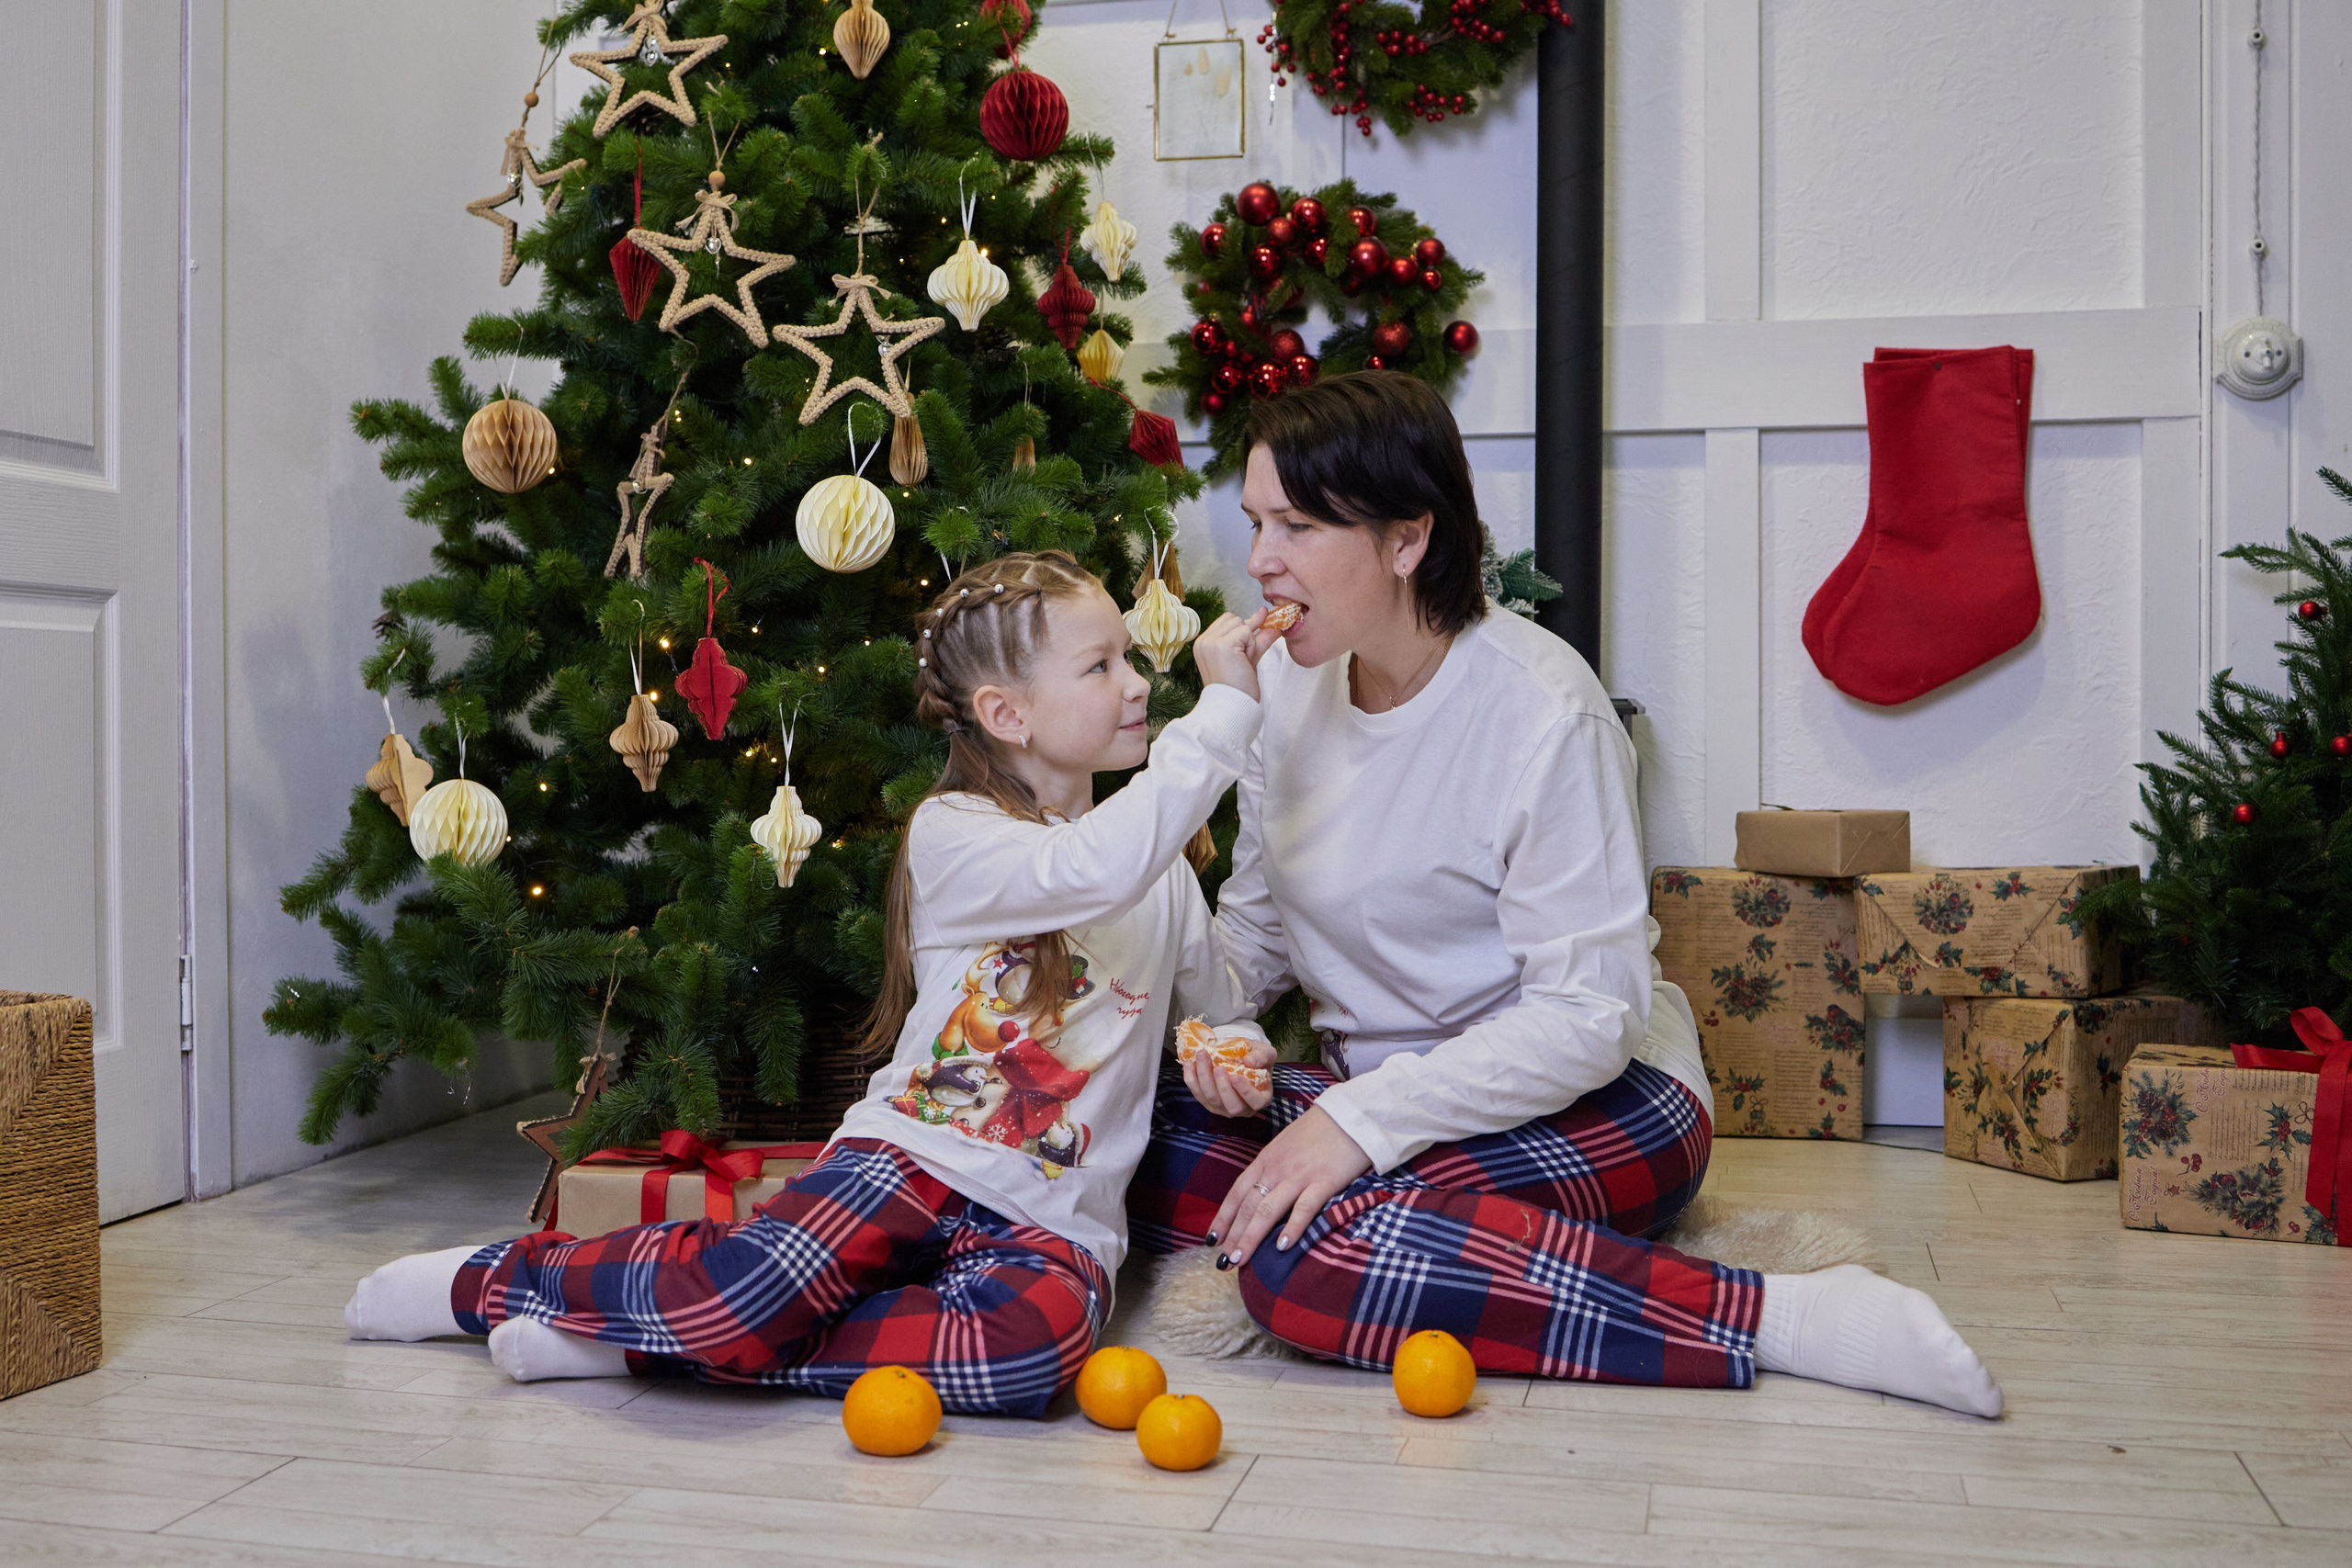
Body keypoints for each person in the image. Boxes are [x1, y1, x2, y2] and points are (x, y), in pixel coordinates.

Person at [1129, 371, 2002, 1418]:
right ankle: (1455, 1236)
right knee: (1125, 1129)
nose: (1262, 559)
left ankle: (1783, 1315)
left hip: (1603, 1093)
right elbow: (1247, 958)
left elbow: (1587, 1020)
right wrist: (1204, 1012)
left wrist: (1359, 1122)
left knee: (1295, 1258)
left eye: (1300, 525)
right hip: (1391, 1106)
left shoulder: (1542, 709)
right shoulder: (1274, 695)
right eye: (1256, 522)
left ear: (1407, 540)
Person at [343, 551, 1280, 1416]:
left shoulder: (1160, 878)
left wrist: (1236, 1054)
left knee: (1025, 1360)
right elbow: (1089, 868)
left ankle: (651, 1347)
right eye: (1101, 664)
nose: (1139, 683)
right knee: (747, 1288)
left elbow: (1221, 1009)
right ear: (1007, 714)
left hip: (1055, 1213)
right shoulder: (960, 833)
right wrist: (1223, 714)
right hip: (916, 1154)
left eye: (1131, 657)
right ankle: (492, 1281)